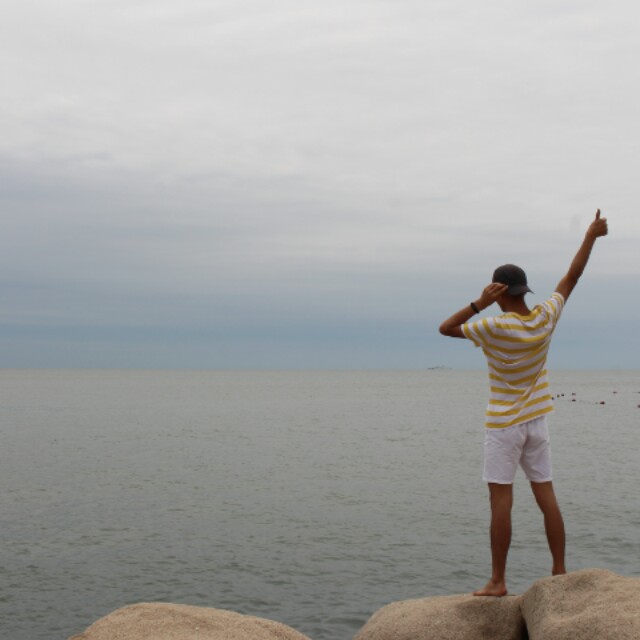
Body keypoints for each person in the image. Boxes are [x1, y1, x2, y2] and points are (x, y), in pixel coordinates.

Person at [438, 209, 609, 596]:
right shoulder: (545, 317)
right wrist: (590, 235)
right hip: (537, 421)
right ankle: (559, 571)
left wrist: (479, 303)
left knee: (501, 500)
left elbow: (446, 328)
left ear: (498, 292)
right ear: (524, 290)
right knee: (546, 494)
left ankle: (498, 581)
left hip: (504, 425)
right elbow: (571, 277)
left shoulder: (494, 326)